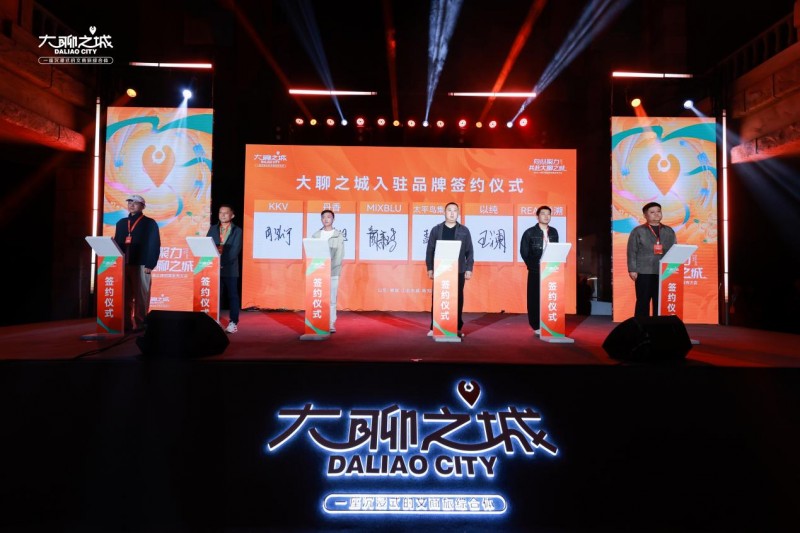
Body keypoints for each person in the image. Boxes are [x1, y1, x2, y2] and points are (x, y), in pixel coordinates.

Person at [425, 202, 474, 337]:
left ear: (458, 213)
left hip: (458, 270)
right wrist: (430, 268)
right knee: (438, 298)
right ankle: (434, 327)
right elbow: (430, 250)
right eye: (449, 210)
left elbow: (469, 251)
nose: (452, 213)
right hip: (441, 270)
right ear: (444, 212)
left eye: (455, 211)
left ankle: (456, 328)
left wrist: (469, 268)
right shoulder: (436, 230)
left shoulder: (464, 231)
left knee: (457, 299)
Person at [113, 194, 161, 333]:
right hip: (124, 265)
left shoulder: (149, 223)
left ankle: (140, 324)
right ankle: (126, 324)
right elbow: (117, 243)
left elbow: (154, 244)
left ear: (143, 206)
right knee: (125, 296)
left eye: (135, 203)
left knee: (141, 297)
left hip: (142, 265)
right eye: (129, 202)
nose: (131, 205)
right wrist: (116, 263)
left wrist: (150, 264)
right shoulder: (121, 223)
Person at [627, 201, 676, 318]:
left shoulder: (669, 231)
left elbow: (674, 249)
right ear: (645, 215)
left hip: (664, 272)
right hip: (644, 271)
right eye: (652, 212)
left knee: (660, 302)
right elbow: (632, 250)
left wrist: (673, 268)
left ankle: (657, 326)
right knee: (643, 301)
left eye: (659, 211)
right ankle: (641, 326)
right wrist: (632, 269)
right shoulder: (638, 231)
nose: (656, 214)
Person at [520, 205, 559, 335]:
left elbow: (556, 249)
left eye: (548, 214)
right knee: (534, 298)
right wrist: (532, 266)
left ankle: (549, 323)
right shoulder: (529, 232)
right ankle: (536, 325)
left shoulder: (554, 232)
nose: (546, 216)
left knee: (549, 298)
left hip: (550, 270)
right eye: (543, 214)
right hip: (535, 270)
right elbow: (524, 252)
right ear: (537, 216)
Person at [208, 204, 243, 333]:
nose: (222, 215)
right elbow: (208, 245)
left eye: (226, 213)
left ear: (232, 215)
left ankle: (233, 323)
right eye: (220, 212)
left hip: (230, 269)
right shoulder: (212, 229)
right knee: (217, 296)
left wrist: (222, 263)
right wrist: (213, 263)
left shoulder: (237, 231)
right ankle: (215, 320)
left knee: (232, 296)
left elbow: (235, 250)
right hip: (214, 268)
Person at [312, 209, 345, 332]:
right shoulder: (316, 235)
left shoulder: (338, 235)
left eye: (329, 217)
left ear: (333, 219)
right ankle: (318, 322)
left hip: (333, 271)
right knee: (318, 298)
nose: (326, 219)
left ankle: (331, 323)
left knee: (331, 299)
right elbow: (312, 253)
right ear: (321, 219)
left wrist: (330, 269)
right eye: (324, 217)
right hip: (318, 273)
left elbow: (339, 255)